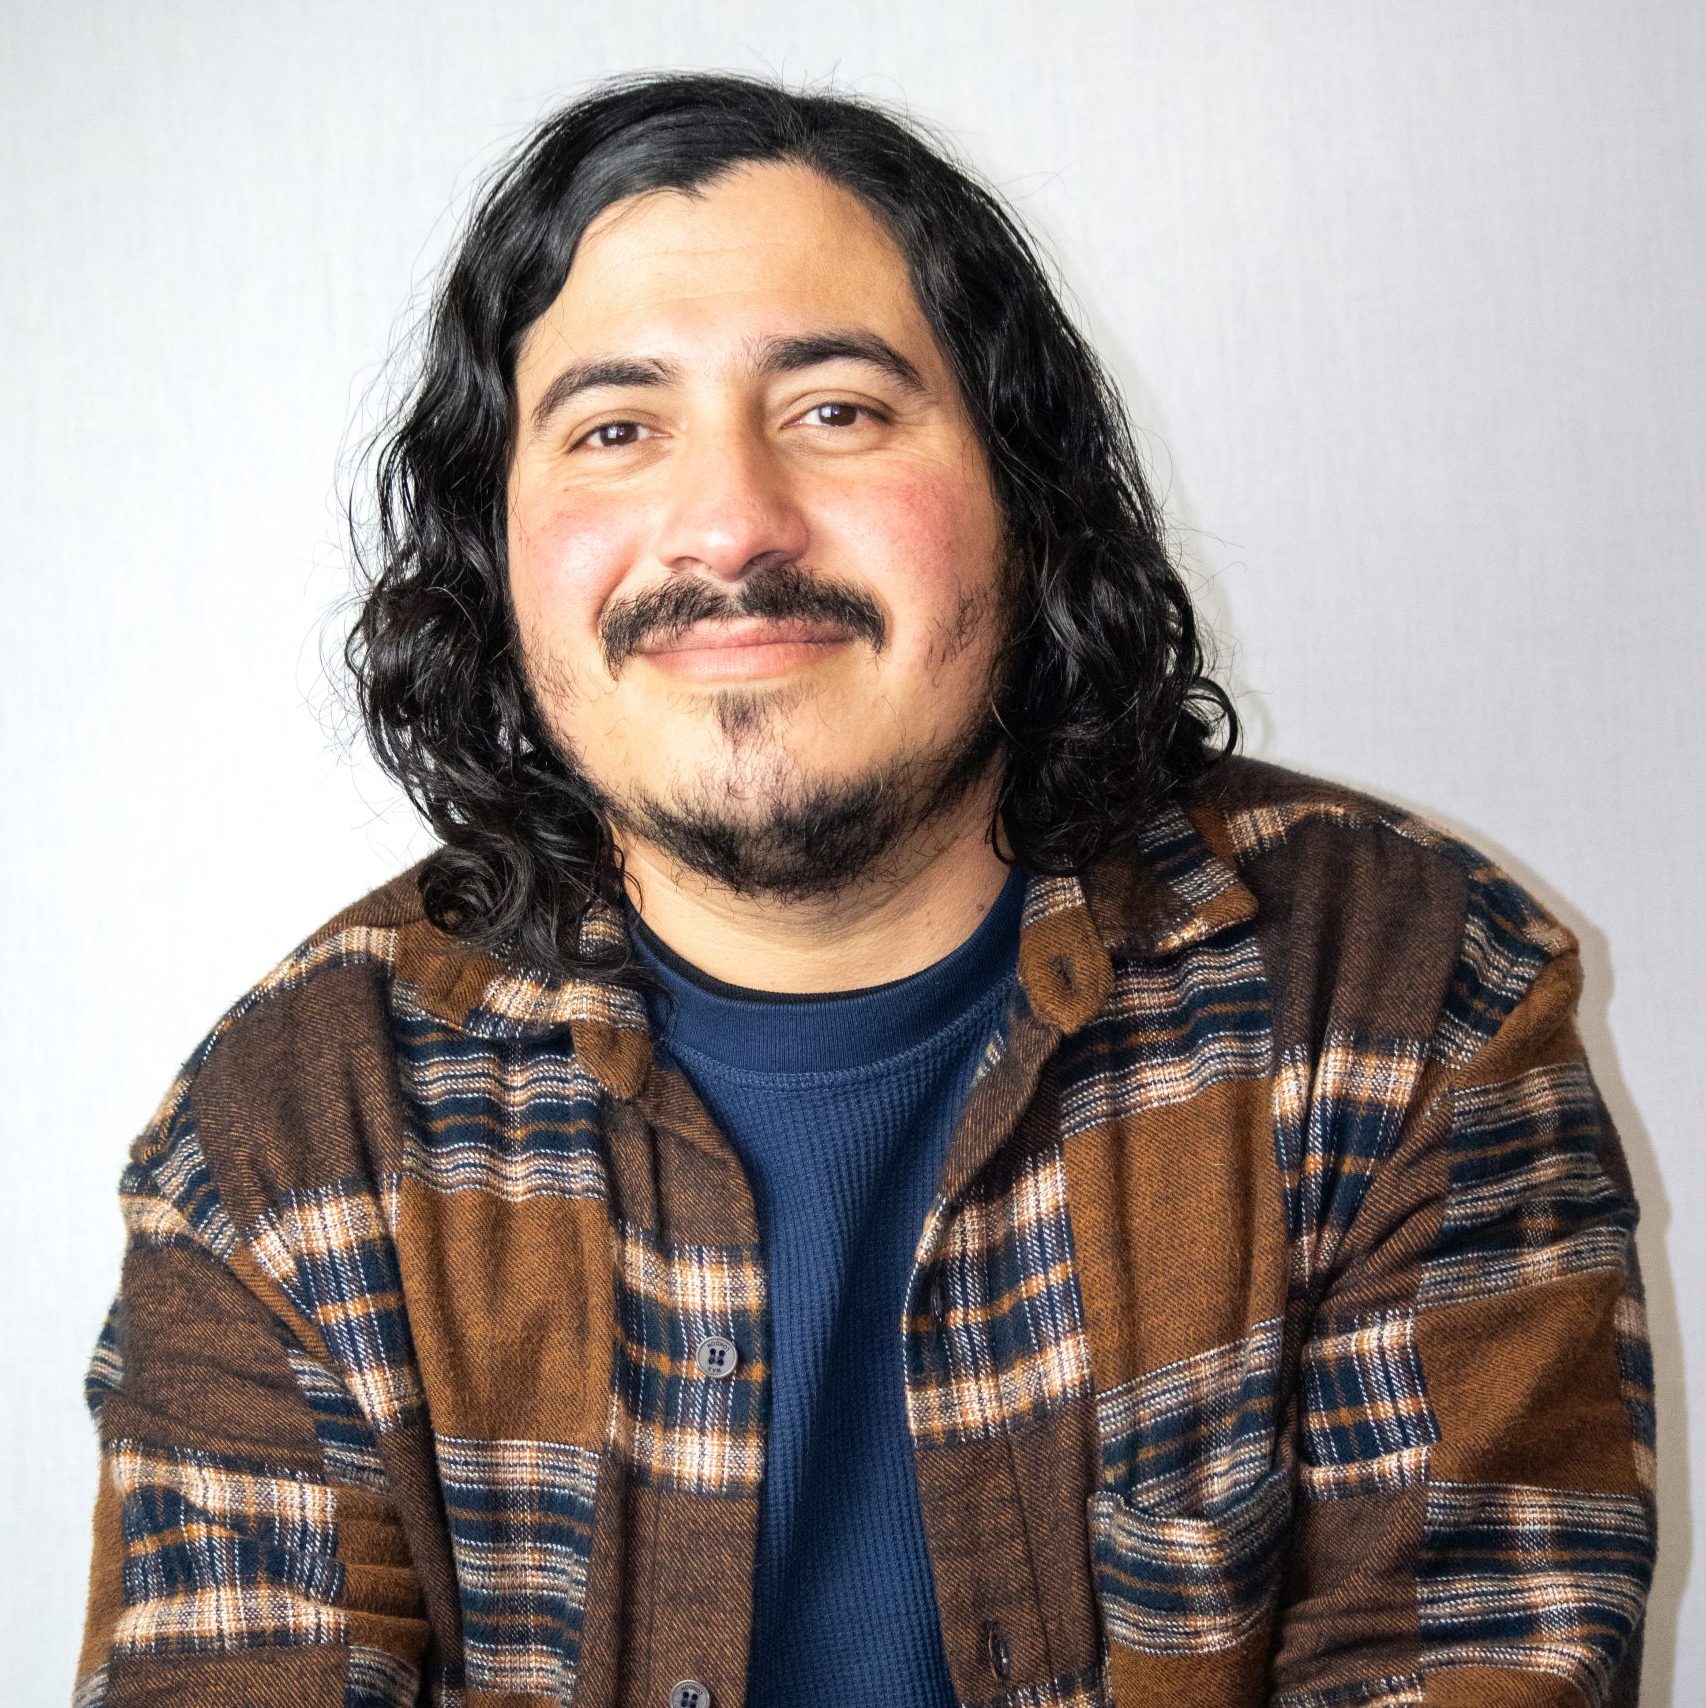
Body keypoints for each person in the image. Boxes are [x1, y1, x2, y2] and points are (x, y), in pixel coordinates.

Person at [73, 70, 1655, 1708]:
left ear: (1020, 502)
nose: (728, 525)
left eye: (835, 410)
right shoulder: (284, 1141)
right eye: (615, 431)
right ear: (495, 552)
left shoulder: (1404, 1008)